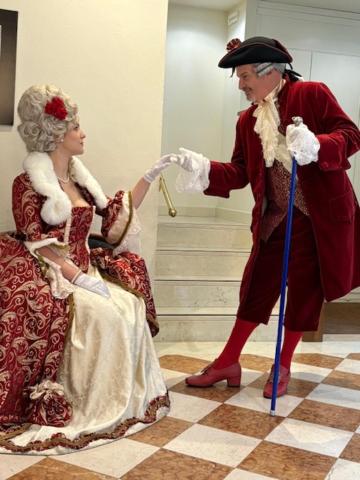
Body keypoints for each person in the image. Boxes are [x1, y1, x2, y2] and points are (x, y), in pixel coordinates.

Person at [166, 36, 360, 397]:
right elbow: (241, 171)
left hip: (317, 219)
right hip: (275, 219)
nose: (240, 85)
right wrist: (204, 169)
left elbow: (351, 134)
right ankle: (228, 360)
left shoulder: (312, 94)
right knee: (255, 287)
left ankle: (282, 364)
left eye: (243, 76)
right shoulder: (246, 122)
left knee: (304, 293)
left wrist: (318, 144)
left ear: (269, 71)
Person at [0, 84, 173, 454]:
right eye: (76, 127)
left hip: (85, 267)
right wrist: (76, 278)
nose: (83, 134)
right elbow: (39, 245)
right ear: (57, 134)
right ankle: (89, 401)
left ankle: (127, 398)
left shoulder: (79, 181)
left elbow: (114, 221)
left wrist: (149, 176)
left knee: (130, 305)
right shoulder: (28, 185)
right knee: (102, 315)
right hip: (50, 273)